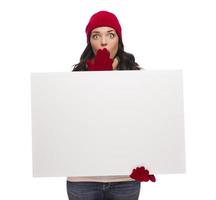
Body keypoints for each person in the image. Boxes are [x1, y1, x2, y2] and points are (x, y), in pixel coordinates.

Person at [67, 11, 155, 200]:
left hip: (125, 179)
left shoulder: (137, 76)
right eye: (96, 35)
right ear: (89, 41)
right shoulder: (75, 78)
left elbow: (147, 122)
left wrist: (149, 160)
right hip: (83, 179)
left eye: (110, 34)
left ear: (119, 40)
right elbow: (69, 127)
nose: (103, 41)